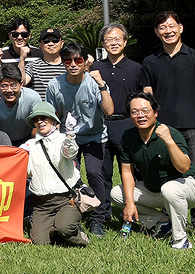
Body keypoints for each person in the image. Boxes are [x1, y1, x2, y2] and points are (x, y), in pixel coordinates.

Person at [137, 11, 195, 234]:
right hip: (162, 127)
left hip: (190, 125)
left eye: (171, 26)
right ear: (156, 32)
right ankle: (168, 218)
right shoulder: (151, 61)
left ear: (180, 28)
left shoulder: (194, 55)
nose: (168, 31)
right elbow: (147, 95)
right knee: (165, 173)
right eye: (162, 28)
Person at [111, 92, 195, 249]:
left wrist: (168, 141)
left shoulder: (170, 133)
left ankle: (180, 240)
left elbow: (184, 167)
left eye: (145, 111)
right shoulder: (129, 136)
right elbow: (127, 172)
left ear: (155, 113)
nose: (140, 115)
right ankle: (162, 223)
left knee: (169, 189)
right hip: (157, 191)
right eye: (134, 112)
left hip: (190, 187)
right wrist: (129, 204)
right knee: (117, 193)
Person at [47, 42, 115, 236]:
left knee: (95, 173)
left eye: (78, 60)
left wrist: (102, 84)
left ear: (85, 62)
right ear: (63, 62)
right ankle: (75, 215)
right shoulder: (55, 85)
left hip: (95, 136)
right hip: (69, 138)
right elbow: (53, 116)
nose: (73, 64)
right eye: (68, 60)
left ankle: (98, 218)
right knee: (72, 177)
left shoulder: (94, 83)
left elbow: (109, 110)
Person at [92, 23, 143, 229]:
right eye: (108, 40)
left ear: (125, 41)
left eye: (117, 39)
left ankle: (137, 212)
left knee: (134, 170)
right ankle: (101, 216)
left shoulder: (137, 68)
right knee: (102, 172)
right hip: (101, 125)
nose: (113, 43)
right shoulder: (96, 68)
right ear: (102, 44)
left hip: (127, 124)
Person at [21, 102, 89, 247]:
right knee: (39, 242)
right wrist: (21, 157)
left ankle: (77, 234)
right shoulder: (29, 145)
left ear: (53, 120)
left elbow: (70, 153)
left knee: (66, 228)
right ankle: (55, 230)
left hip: (66, 199)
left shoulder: (63, 139)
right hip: (41, 203)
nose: (40, 121)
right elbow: (25, 174)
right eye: (36, 119)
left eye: (44, 117)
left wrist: (70, 134)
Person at [0, 64, 40, 146]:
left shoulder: (32, 98)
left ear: (21, 84)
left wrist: (31, 145)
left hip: (26, 139)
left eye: (13, 85)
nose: (9, 90)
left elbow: (36, 126)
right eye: (4, 86)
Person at [0, 18, 43, 86]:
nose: (19, 37)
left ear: (29, 36)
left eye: (24, 35)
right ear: (10, 35)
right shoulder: (1, 54)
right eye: (15, 34)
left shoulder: (39, 54)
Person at [25, 28, 67, 99]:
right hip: (41, 108)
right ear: (40, 45)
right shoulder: (33, 65)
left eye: (55, 40)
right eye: (46, 41)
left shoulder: (69, 64)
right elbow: (22, 82)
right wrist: (22, 59)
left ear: (62, 43)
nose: (51, 44)